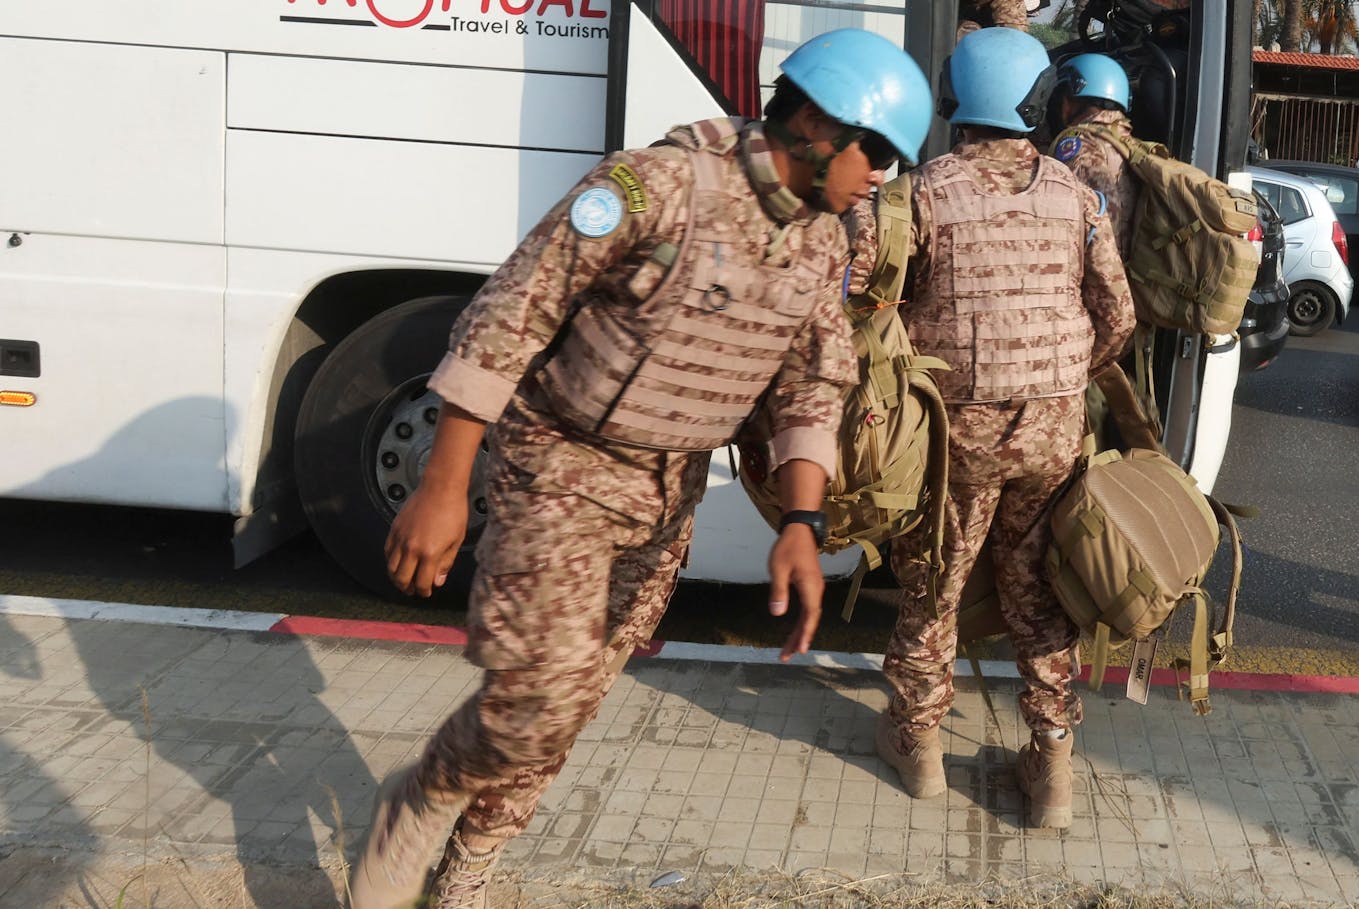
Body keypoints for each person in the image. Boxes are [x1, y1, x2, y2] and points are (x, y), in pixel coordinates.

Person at [346, 29, 932, 909]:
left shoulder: (822, 244)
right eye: (877, 150)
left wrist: (804, 526)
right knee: (535, 697)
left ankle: (472, 861)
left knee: (572, 702)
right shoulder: (655, 186)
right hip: (560, 467)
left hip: (666, 496)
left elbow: (815, 387)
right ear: (815, 122)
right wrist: (442, 482)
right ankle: (425, 796)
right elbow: (513, 312)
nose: (882, 174)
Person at [849, 27, 1136, 830]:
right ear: (1038, 100)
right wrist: (1066, 378)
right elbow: (1118, 317)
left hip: (955, 437)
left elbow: (863, 315)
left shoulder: (917, 194)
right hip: (1051, 428)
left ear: (952, 99)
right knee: (1036, 588)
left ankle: (919, 747)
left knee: (934, 583)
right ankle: (1050, 766)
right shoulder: (1076, 195)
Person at [1049, 53, 1139, 257]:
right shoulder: (1128, 143)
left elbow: (1097, 224)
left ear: (1071, 99)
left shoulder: (1079, 147)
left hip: (1106, 273)